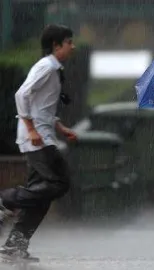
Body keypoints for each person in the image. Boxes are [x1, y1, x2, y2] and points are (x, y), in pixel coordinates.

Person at [0, 24, 76, 260]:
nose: (72, 47)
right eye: (68, 42)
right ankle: (5, 199)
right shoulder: (46, 66)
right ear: (56, 45)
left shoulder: (54, 68)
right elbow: (21, 94)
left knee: (41, 195)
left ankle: (15, 244)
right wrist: (31, 129)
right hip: (37, 140)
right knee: (59, 182)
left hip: (43, 136)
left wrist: (60, 127)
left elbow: (41, 104)